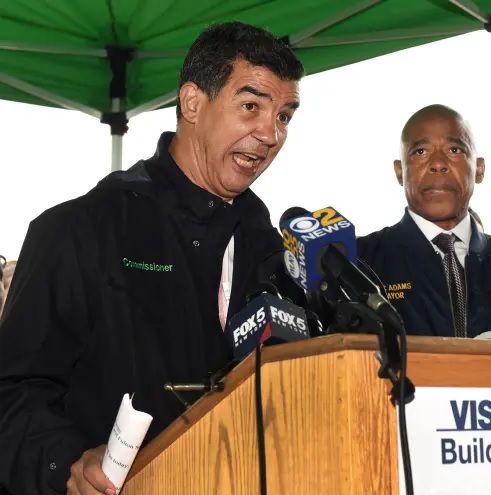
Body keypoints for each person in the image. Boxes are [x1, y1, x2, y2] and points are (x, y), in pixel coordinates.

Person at [0, 22, 304, 495]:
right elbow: (12, 393)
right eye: (251, 107)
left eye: (284, 116)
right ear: (193, 103)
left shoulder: (270, 248)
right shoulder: (80, 230)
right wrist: (68, 463)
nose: (271, 134)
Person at [357, 105, 491, 339]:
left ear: (479, 169)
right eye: (420, 152)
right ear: (399, 172)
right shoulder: (357, 264)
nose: (438, 163)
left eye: (454, 150)